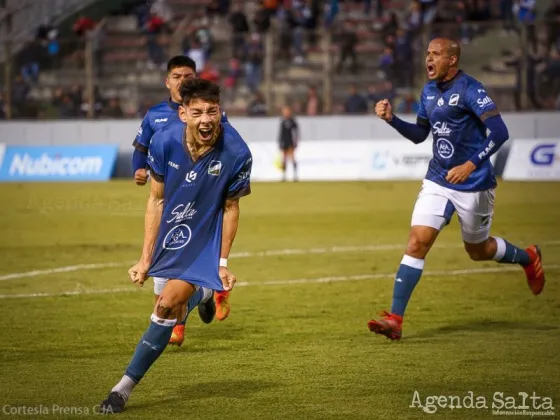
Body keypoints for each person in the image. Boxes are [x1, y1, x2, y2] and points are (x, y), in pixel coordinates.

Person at [367, 38, 546, 341]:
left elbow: (500, 132)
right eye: (427, 54)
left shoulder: (470, 89)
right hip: (438, 178)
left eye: (435, 54)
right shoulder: (427, 91)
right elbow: (420, 135)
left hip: (473, 183)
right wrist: (392, 120)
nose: (429, 59)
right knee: (417, 242)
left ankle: (528, 257)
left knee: (478, 250)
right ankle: (395, 319)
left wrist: (471, 165)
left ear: (452, 60)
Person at [100, 78, 252, 413]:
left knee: (167, 305)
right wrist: (145, 259)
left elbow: (230, 207)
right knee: (177, 306)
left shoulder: (237, 152)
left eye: (212, 111)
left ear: (220, 111)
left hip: (205, 238)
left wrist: (222, 261)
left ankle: (121, 390)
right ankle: (206, 294)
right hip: (173, 232)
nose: (206, 119)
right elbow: (156, 201)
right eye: (197, 112)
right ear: (183, 113)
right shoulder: (165, 142)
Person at [132, 56, 232, 346]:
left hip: (201, 199)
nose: (183, 80)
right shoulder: (156, 115)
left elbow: (226, 150)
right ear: (168, 81)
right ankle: (203, 295)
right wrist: (139, 169)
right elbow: (141, 148)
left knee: (184, 257)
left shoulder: (211, 115)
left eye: (188, 75)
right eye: (177, 76)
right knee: (163, 262)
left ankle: (175, 323)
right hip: (169, 196)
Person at [278, 105, 299, 182]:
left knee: (292, 157)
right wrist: (280, 142)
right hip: (284, 142)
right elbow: (281, 133)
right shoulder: (282, 122)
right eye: (284, 112)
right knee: (284, 159)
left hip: (290, 142)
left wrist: (295, 142)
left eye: (286, 111)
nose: (285, 113)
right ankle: (284, 176)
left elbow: (296, 133)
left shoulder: (293, 122)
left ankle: (295, 175)